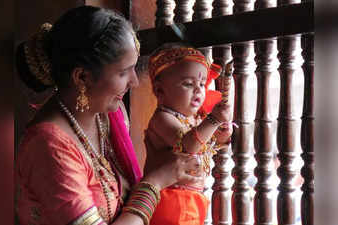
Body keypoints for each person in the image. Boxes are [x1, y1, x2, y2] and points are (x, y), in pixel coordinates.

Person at [15, 6, 202, 225]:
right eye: (124, 72)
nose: (135, 81)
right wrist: (155, 181)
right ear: (82, 77)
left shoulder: (106, 116)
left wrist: (160, 166)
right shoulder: (48, 146)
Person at [144, 44, 233, 225]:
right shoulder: (162, 118)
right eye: (188, 84)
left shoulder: (192, 120)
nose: (199, 90)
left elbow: (205, 145)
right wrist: (213, 120)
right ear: (160, 90)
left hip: (192, 197)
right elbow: (187, 147)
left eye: (201, 84)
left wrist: (221, 134)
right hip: (169, 199)